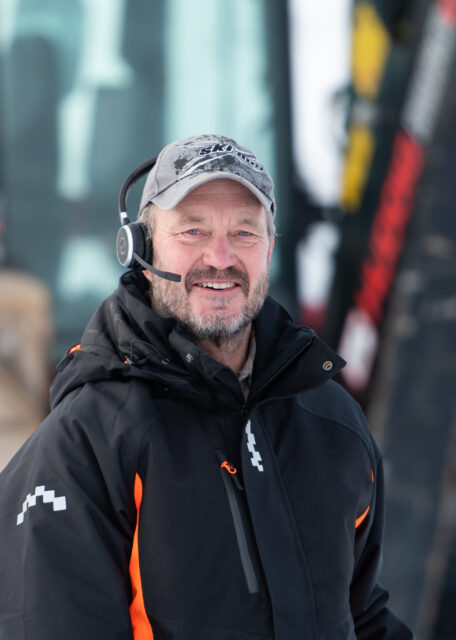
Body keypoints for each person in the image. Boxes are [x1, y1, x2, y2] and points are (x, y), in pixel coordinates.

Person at [0, 134, 413, 639]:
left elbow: (361, 616)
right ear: (141, 248)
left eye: (244, 233)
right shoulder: (87, 442)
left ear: (269, 246)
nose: (220, 257)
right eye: (193, 231)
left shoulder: (333, 424)